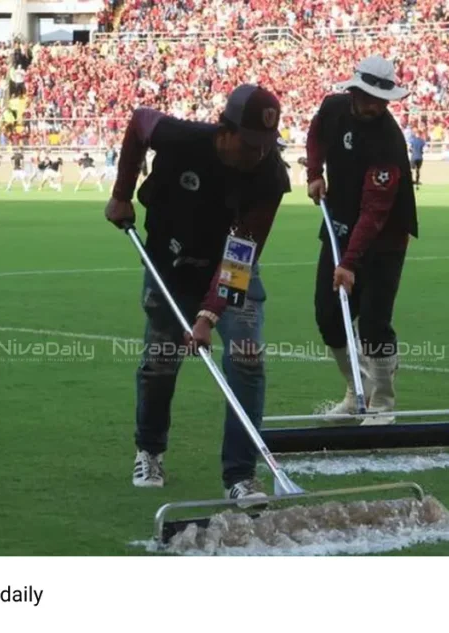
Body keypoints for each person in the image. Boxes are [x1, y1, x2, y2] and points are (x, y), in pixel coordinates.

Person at [104, 84, 289, 504]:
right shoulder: (180, 137)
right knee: (161, 362)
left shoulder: (269, 175)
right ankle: (149, 451)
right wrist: (121, 194)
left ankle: (241, 476)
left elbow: (243, 252)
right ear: (225, 130)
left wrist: (209, 314)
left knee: (246, 358)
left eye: (266, 145)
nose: (258, 153)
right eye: (250, 143)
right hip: (167, 264)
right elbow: (136, 123)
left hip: (228, 266)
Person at [305, 55, 419, 425]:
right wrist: (314, 172)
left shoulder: (388, 141)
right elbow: (316, 132)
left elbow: (375, 212)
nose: (373, 105)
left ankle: (383, 403)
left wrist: (349, 264)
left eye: (380, 99)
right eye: (367, 96)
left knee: (372, 323)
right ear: (353, 91)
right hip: (338, 225)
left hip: (384, 240)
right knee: (329, 316)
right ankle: (358, 391)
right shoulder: (334, 108)